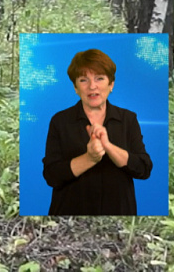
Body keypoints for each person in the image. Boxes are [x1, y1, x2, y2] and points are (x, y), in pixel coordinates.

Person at [42, 49, 153, 215]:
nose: (92, 86)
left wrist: (108, 146)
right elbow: (51, 176)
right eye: (83, 80)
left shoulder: (128, 119)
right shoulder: (60, 121)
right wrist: (89, 158)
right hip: (70, 215)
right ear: (75, 88)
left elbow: (143, 169)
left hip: (119, 214)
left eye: (99, 78)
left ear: (111, 85)